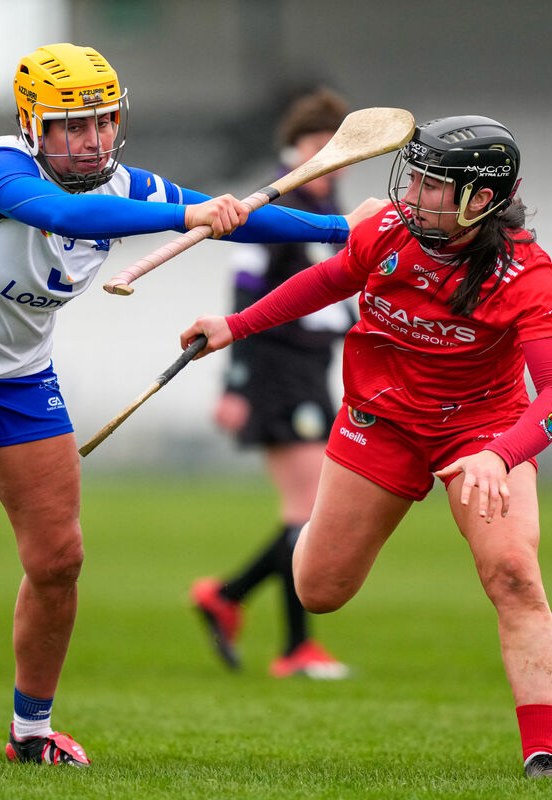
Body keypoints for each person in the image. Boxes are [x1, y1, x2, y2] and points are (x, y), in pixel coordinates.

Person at [0, 43, 385, 767]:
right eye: (73, 125)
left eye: (102, 122)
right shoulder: (0, 168)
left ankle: (31, 732)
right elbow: (66, 211)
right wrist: (178, 215)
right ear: (34, 126)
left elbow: (246, 219)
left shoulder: (127, 184)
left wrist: (349, 230)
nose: (92, 139)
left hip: (19, 378)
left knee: (59, 558)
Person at [180, 116, 552, 779]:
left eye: (430, 184)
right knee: (318, 591)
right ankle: (304, 535)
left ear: (480, 201)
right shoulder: (390, 230)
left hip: (481, 431)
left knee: (513, 571)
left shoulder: (527, 275)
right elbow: (330, 280)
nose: (411, 194)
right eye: (413, 178)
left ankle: (542, 751)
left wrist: (499, 455)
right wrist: (235, 325)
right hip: (380, 420)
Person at [190, 88, 354, 680]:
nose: (332, 161)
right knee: (307, 513)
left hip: (312, 371)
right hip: (276, 372)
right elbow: (243, 288)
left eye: (340, 151)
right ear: (296, 148)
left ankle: (228, 596)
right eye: (321, 147)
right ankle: (293, 648)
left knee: (307, 514)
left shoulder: (330, 202)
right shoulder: (272, 200)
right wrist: (234, 384)